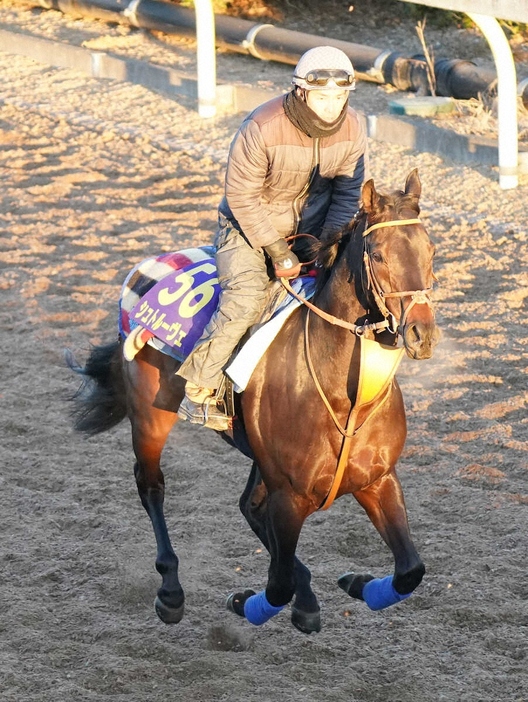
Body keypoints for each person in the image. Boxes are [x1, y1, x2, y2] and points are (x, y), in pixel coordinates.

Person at [177, 45, 370, 430]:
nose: (332, 107)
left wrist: (328, 243)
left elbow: (348, 192)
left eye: (339, 97)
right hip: (248, 229)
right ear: (301, 91)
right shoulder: (262, 126)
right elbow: (242, 196)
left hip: (312, 231)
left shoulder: (354, 127)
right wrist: (278, 251)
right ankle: (200, 387)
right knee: (247, 300)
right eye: (322, 97)